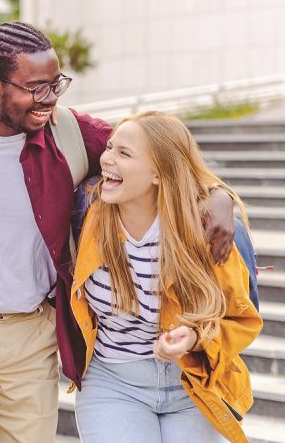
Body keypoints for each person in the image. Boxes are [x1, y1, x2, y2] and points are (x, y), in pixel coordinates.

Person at [0, 21, 236, 442]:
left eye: (55, 84)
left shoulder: (71, 133)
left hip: (32, 333)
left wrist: (216, 194)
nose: (49, 98)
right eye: (35, 88)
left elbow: (159, 153)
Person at [70, 111, 263, 443]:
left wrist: (195, 337)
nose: (106, 159)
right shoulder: (86, 212)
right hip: (114, 381)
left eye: (124, 153)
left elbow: (240, 319)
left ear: (158, 173)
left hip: (191, 382)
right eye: (110, 147)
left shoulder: (211, 231)